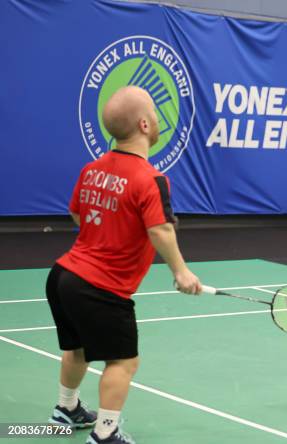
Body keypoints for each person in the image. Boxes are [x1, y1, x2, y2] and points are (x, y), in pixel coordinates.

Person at [45, 86, 203, 443]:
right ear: (145, 124)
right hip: (100, 287)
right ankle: (105, 434)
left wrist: (107, 231)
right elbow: (160, 229)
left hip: (62, 277)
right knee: (123, 362)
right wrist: (180, 271)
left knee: (78, 348)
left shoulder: (92, 168)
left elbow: (76, 214)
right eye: (156, 113)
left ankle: (66, 409)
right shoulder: (151, 179)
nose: (159, 119)